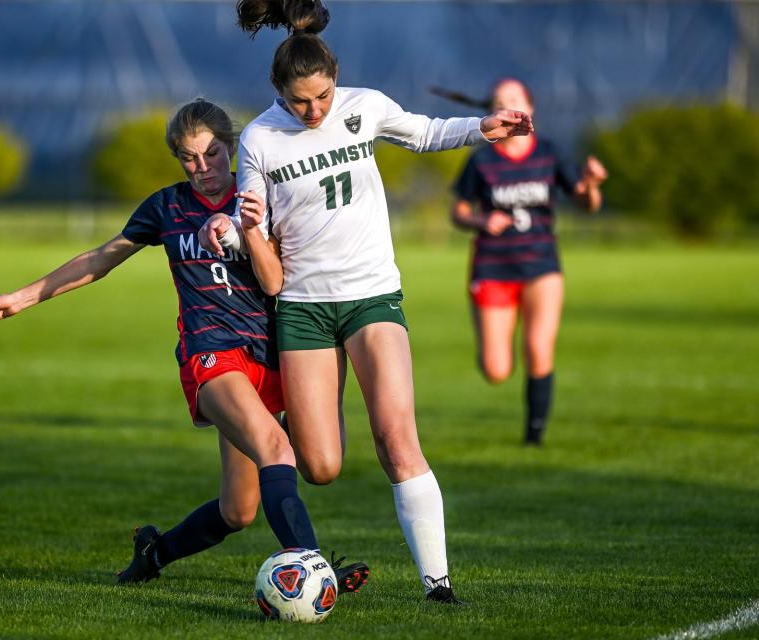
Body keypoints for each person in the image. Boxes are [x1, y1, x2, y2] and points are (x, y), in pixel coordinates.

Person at [200, 0, 533, 604]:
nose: (315, 110)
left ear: (335, 79)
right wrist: (230, 230)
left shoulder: (365, 106)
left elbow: (428, 132)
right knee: (321, 466)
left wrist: (484, 127)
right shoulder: (259, 139)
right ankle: (320, 407)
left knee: (397, 439)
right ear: (278, 90)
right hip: (302, 308)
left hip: (371, 298)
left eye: (323, 95)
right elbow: (245, 218)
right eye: (301, 101)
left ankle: (438, 584)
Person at [0, 98, 369, 592]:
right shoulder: (167, 207)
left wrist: (247, 231)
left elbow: (275, 283)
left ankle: (153, 553)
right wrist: (22, 297)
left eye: (212, 155)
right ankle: (312, 569)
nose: (202, 169)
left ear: (233, 149)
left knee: (238, 509)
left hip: (269, 355)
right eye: (189, 158)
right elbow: (101, 258)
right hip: (212, 356)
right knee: (275, 449)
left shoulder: (260, 198)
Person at [450, 78, 607, 445]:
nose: (511, 106)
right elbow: (457, 213)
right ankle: (491, 347)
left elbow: (587, 204)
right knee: (496, 369)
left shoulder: (550, 153)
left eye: (516, 99)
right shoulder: (482, 159)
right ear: (495, 113)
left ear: (531, 108)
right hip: (493, 266)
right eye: (502, 102)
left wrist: (592, 184)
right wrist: (480, 220)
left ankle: (534, 438)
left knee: (539, 348)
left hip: (542, 266)